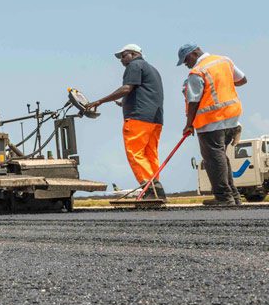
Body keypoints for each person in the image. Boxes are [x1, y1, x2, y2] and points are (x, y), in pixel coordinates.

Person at [86, 44, 165, 197]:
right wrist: (125, 102)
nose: (121, 60)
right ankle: (157, 190)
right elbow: (146, 93)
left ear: (133, 54)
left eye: (123, 55)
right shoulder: (152, 69)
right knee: (150, 154)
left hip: (138, 118)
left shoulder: (134, 65)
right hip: (155, 119)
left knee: (135, 153)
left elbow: (126, 89)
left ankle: (149, 188)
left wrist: (100, 101)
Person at [177, 43, 248, 206]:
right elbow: (242, 80)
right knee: (221, 156)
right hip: (232, 118)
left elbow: (193, 101)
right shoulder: (224, 61)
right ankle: (233, 196)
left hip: (211, 120)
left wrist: (189, 125)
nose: (186, 64)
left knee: (213, 159)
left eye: (186, 60)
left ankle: (224, 197)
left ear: (194, 53)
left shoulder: (197, 72)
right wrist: (222, 83)